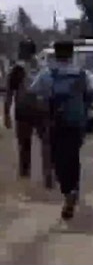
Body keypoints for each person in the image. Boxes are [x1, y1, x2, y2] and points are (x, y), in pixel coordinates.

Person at [29, 40, 93, 220]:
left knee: (58, 160)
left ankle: (68, 192)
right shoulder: (81, 74)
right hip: (76, 123)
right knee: (73, 157)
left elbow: (34, 93)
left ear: (55, 54)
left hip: (55, 124)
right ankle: (72, 189)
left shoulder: (47, 74)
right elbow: (90, 95)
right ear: (71, 54)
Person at [3, 39, 54, 189]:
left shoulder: (16, 69)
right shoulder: (42, 67)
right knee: (46, 142)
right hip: (41, 109)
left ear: (21, 51)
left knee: (24, 145)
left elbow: (9, 93)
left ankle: (25, 175)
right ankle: (48, 173)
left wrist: (6, 114)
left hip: (23, 110)